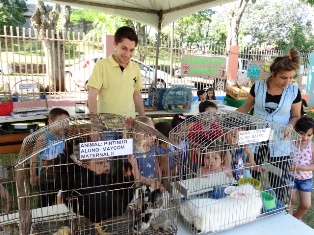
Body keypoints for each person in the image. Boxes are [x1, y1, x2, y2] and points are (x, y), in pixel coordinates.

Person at [236, 48, 302, 198]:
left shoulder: (293, 91)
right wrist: (228, 117)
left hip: (279, 139)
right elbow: (246, 108)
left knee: (278, 176)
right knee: (252, 172)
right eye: (283, 77)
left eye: (291, 78)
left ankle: (277, 204)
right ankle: (248, 202)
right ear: (273, 74)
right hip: (256, 136)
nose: (288, 82)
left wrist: (290, 126)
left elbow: (296, 116)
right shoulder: (258, 86)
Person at [87, 26, 145, 118]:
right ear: (115, 44)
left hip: (129, 125)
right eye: (124, 48)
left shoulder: (135, 68)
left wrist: (143, 118)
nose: (127, 54)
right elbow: (92, 96)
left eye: (131, 50)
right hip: (107, 126)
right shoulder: (101, 66)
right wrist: (95, 124)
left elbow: (137, 95)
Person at [30, 108, 70, 207]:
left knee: (62, 199)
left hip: (61, 175)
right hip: (46, 177)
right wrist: (33, 175)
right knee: (45, 201)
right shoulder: (43, 138)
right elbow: (34, 156)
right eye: (61, 122)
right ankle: (43, 219)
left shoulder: (65, 138)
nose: (65, 125)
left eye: (67, 122)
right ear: (50, 122)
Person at [288, 116, 314, 221]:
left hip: (305, 179)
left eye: (309, 135)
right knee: (291, 200)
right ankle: (289, 220)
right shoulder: (290, 143)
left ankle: (297, 217)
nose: (305, 138)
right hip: (290, 177)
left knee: (306, 205)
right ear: (295, 131)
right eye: (302, 133)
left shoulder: (311, 147)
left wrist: (301, 168)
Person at [128, 116, 163, 190]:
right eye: (148, 135)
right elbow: (136, 175)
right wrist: (150, 182)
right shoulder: (132, 154)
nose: (154, 137)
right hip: (140, 189)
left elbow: (157, 166)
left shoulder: (153, 149)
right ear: (136, 136)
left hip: (154, 186)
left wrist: (159, 181)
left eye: (154, 133)